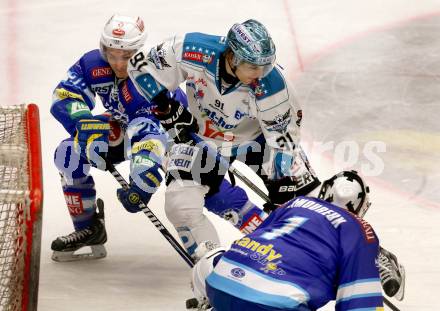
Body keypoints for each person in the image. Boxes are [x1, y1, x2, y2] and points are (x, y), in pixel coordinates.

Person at [127, 19, 320, 257]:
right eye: (253, 67)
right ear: (233, 57)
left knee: (309, 204)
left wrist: (282, 188)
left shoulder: (273, 85)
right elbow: (139, 67)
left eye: (265, 66)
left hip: (258, 140)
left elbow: (283, 140)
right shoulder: (193, 49)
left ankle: (341, 250)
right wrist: (166, 108)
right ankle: (212, 262)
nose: (260, 74)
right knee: (181, 206)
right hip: (203, 139)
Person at [50, 14, 187, 261]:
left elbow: (150, 136)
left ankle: (216, 246)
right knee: (68, 154)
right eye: (111, 54)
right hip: (128, 126)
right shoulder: (92, 63)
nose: (118, 63)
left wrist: (142, 182)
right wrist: (85, 125)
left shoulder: (148, 78)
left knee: (194, 197)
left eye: (125, 56)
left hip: (173, 137)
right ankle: (87, 228)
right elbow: (64, 95)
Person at [189, 171, 386, 310]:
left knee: (213, 255)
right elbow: (360, 304)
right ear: (361, 208)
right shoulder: (360, 229)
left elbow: (260, 236)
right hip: (274, 305)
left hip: (219, 284)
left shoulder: (294, 203)